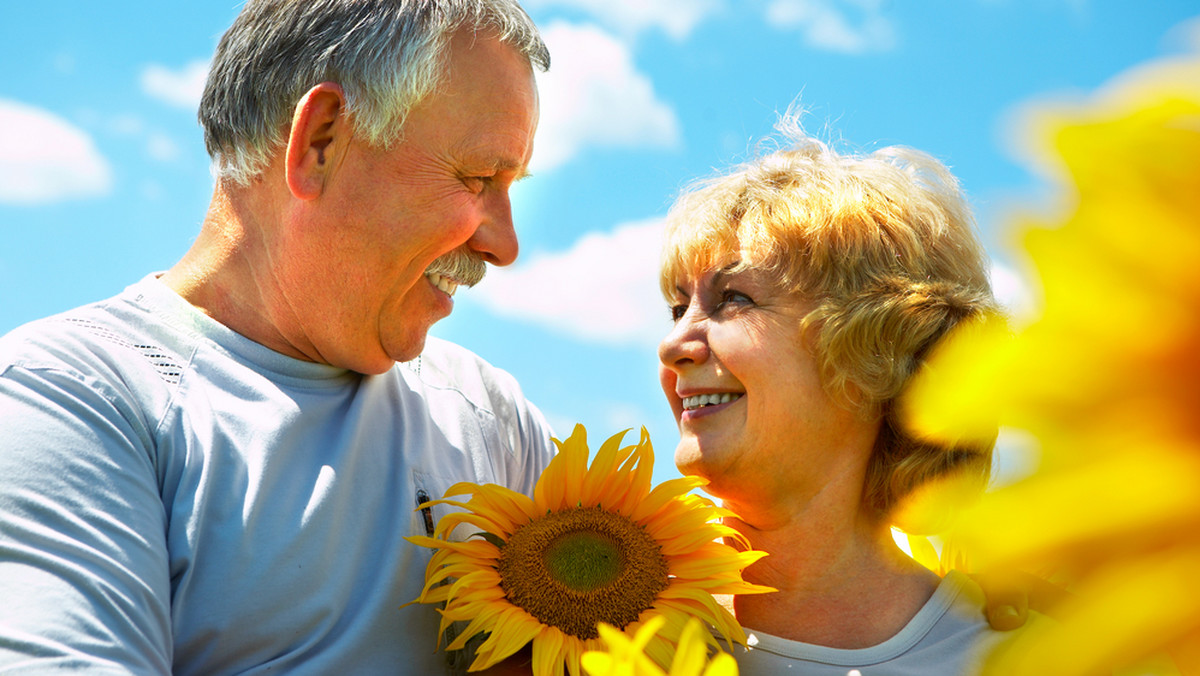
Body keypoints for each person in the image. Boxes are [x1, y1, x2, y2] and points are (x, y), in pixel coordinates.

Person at [0, 2, 555, 674]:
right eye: (478, 179)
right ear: (321, 140)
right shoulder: (77, 401)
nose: (505, 245)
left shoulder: (489, 416)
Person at [657, 121, 1015, 673]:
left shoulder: (1023, 654)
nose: (674, 343)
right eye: (679, 307)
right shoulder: (594, 622)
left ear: (880, 348)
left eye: (733, 298)